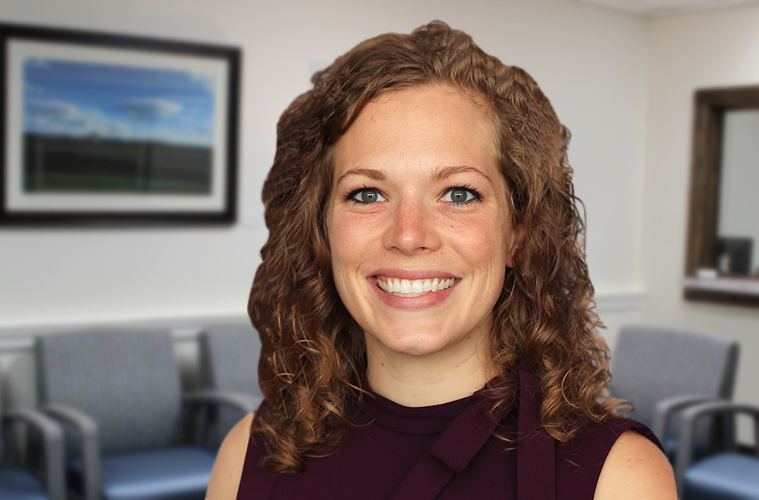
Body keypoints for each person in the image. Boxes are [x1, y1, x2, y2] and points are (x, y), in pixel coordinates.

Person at [208, 21, 675, 500]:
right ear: (322, 232)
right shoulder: (250, 452)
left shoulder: (618, 476)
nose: (408, 236)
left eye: (458, 193)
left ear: (518, 233)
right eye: (367, 193)